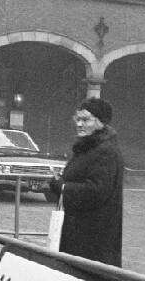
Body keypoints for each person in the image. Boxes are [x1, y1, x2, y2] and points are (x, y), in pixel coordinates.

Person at [46, 97, 124, 270]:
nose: (79, 124)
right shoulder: (88, 147)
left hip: (93, 237)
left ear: (101, 122)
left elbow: (96, 191)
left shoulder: (105, 152)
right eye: (77, 119)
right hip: (77, 232)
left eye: (85, 120)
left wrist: (63, 187)